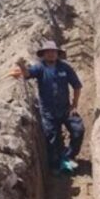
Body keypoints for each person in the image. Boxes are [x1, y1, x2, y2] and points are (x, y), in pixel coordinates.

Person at [10, 40, 84, 174]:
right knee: (52, 139)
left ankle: (69, 156)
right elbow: (27, 74)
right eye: (48, 52)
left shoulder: (65, 68)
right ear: (43, 54)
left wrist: (74, 105)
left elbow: (77, 86)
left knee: (78, 130)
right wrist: (21, 67)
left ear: (57, 53)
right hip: (48, 113)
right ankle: (55, 165)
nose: (51, 54)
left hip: (65, 109)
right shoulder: (40, 68)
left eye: (53, 52)